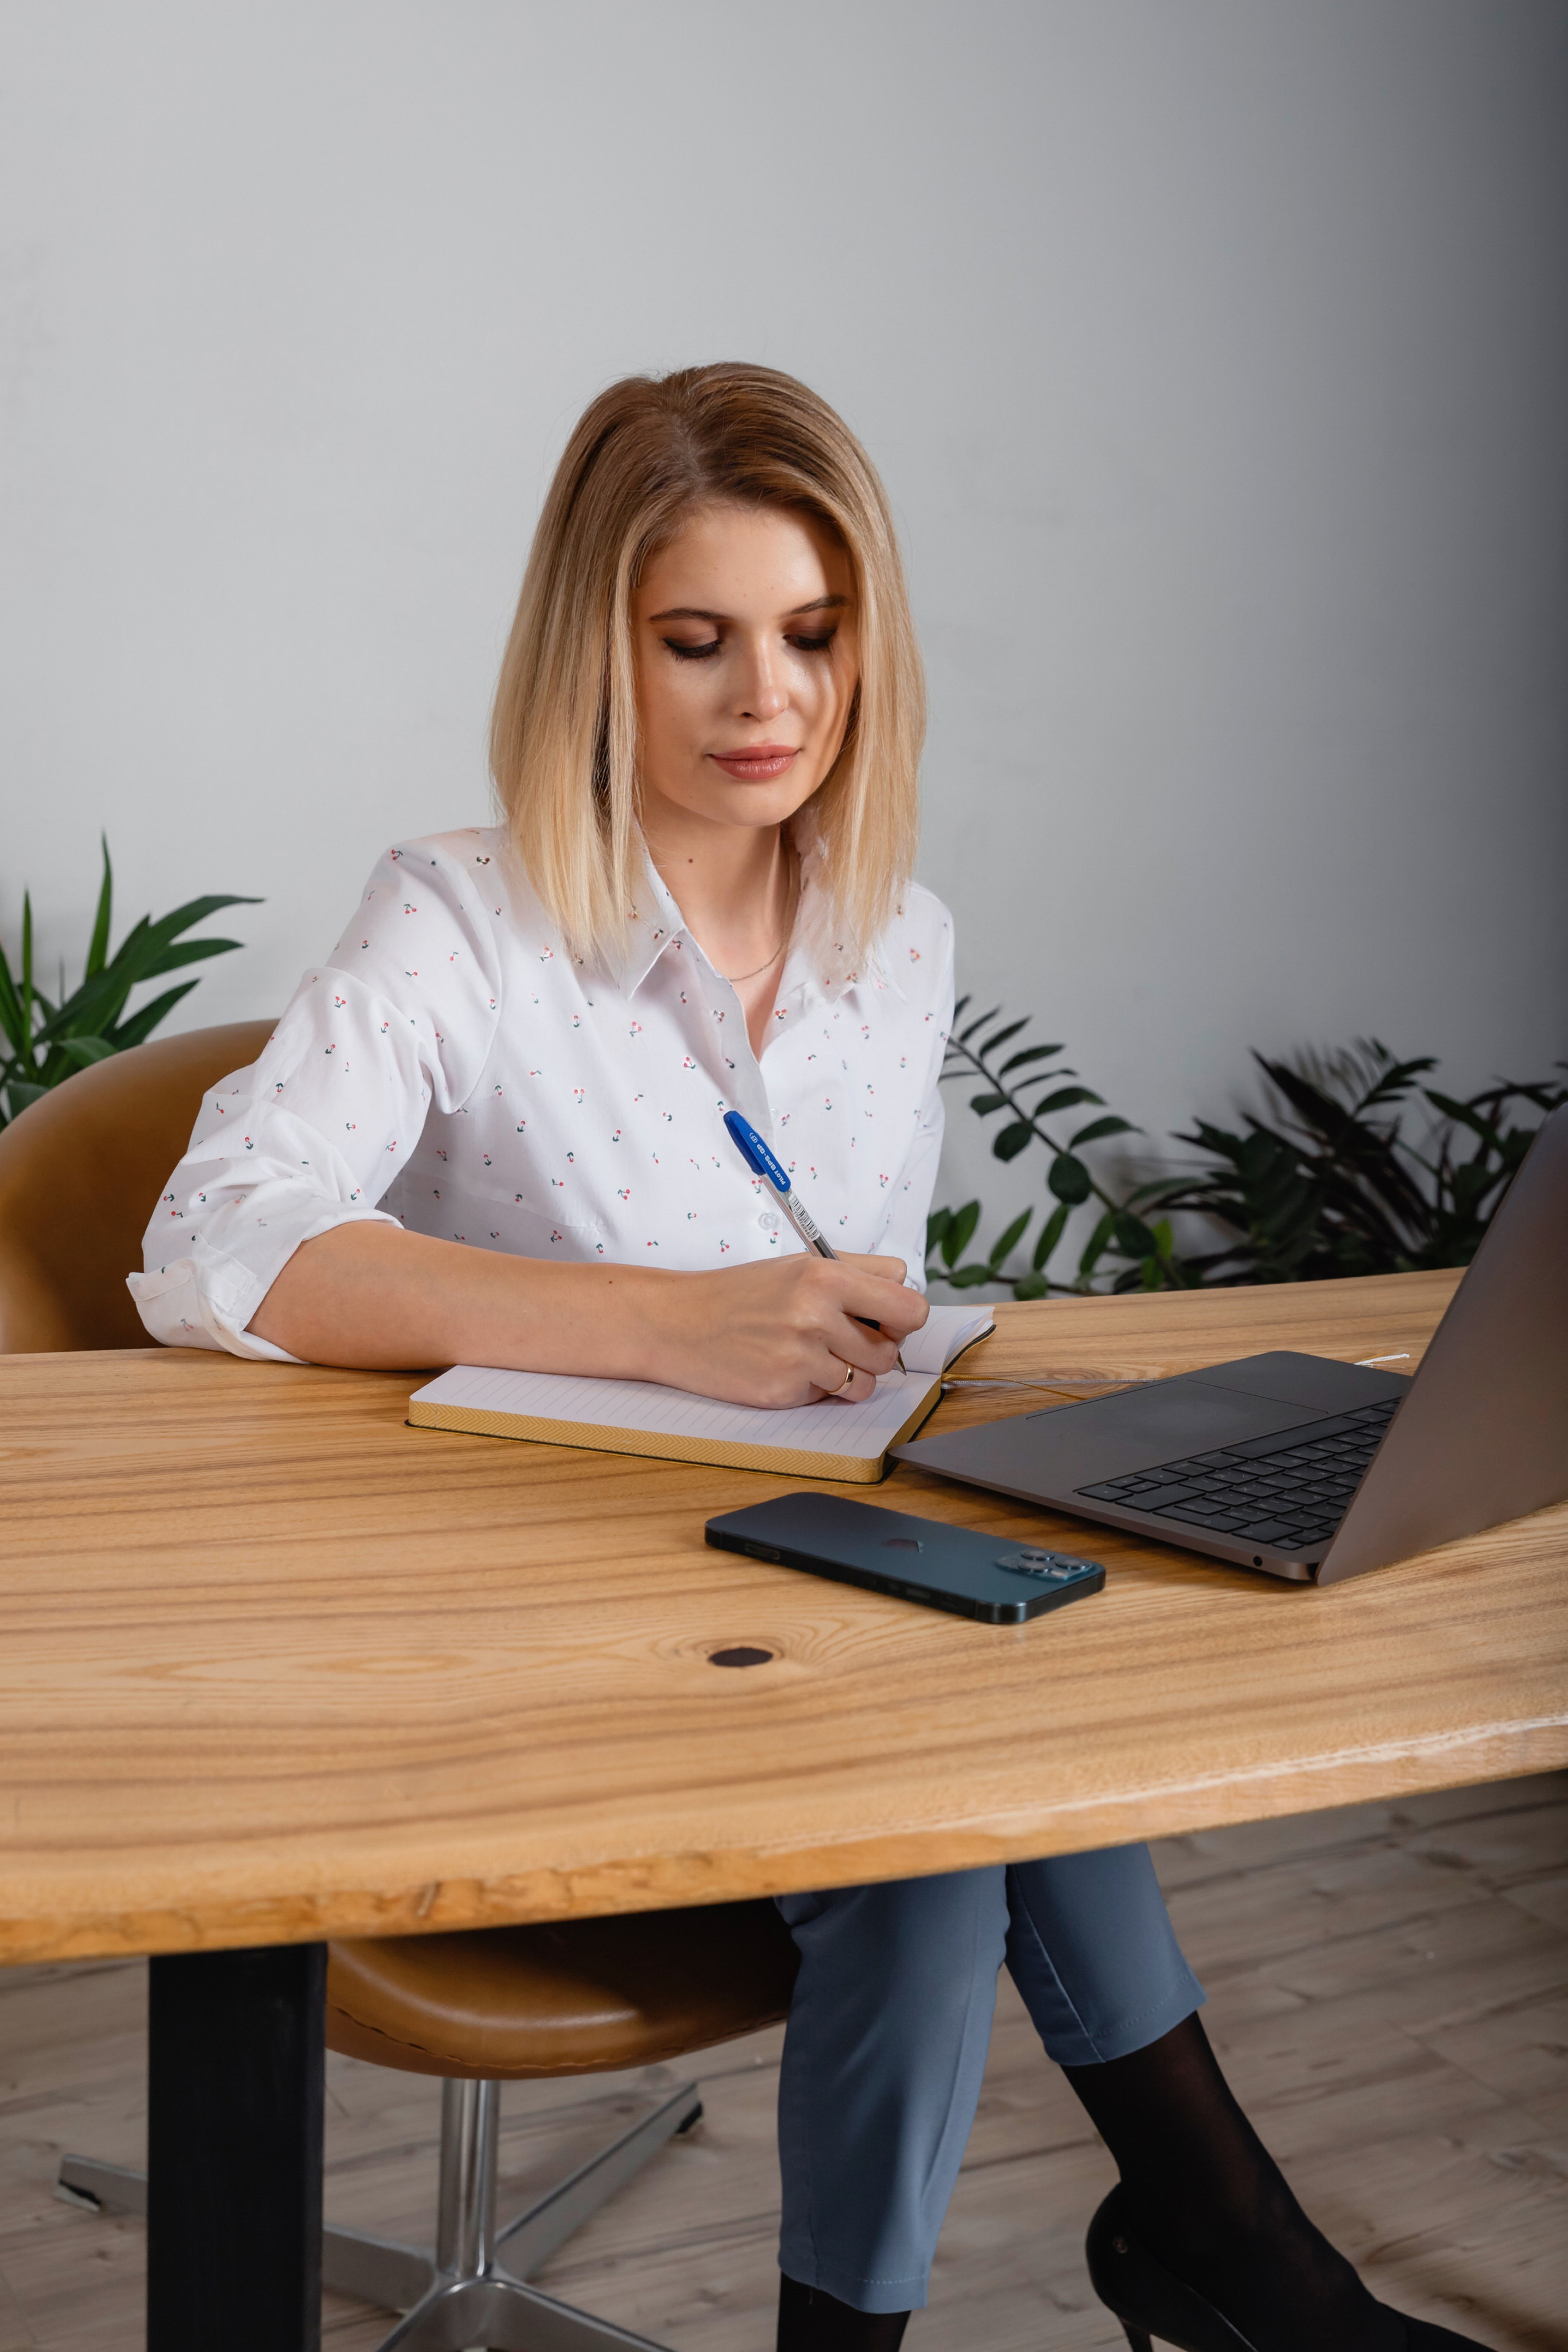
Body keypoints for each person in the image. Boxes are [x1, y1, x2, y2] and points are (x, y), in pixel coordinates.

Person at [132, 365, 1490, 2352]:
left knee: (979, 1753)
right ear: (597, 653)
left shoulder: (893, 938)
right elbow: (211, 1245)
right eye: (696, 639)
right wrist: (662, 1323)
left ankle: (1201, 2257)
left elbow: (863, 1324)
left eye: (814, 633)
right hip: (529, 1644)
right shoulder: (460, 921)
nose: (766, 697)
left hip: (799, 1601)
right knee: (939, 1834)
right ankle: (1233, 2252)